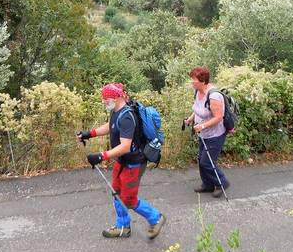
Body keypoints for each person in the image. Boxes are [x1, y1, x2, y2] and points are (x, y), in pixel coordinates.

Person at [77, 83, 167, 239]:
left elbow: (125, 146)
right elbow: (111, 126)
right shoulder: (116, 111)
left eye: (106, 98)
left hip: (134, 163)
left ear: (116, 97)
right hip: (123, 161)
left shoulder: (127, 117)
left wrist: (101, 156)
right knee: (117, 192)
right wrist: (89, 134)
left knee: (129, 199)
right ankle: (122, 227)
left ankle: (156, 218)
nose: (104, 101)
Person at [185, 66, 230, 197]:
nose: (191, 82)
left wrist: (203, 126)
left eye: (194, 79)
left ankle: (222, 183)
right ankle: (208, 185)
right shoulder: (197, 91)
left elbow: (219, 117)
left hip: (215, 135)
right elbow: (199, 108)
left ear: (203, 81)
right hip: (203, 134)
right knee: (201, 159)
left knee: (207, 162)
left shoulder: (214, 96)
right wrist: (191, 118)